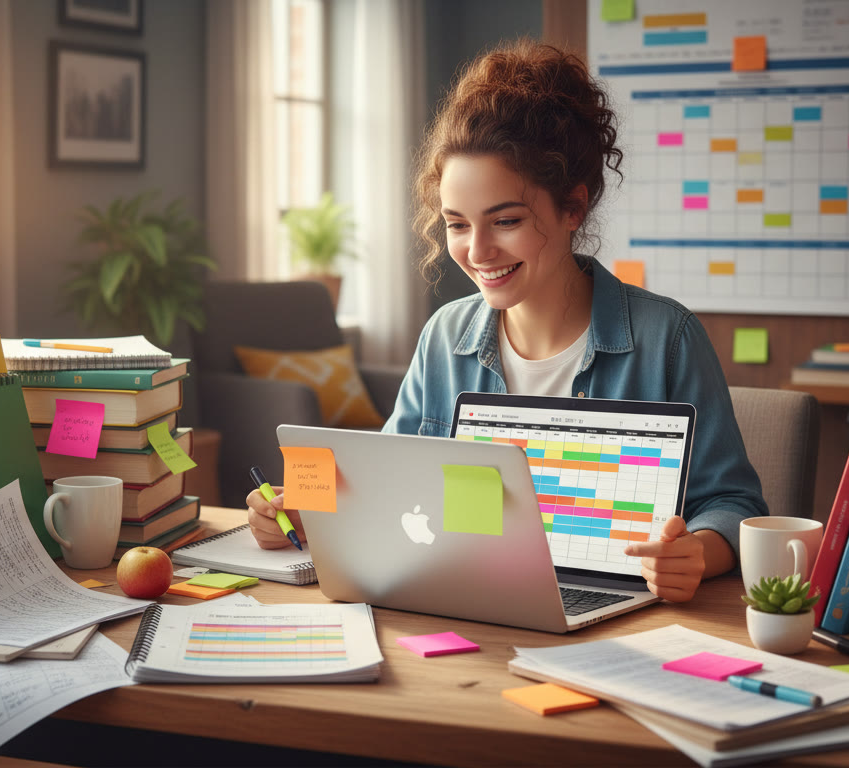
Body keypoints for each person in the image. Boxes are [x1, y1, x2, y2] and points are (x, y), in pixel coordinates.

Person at [247, 40, 768, 603]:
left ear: (573, 207)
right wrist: (298, 514)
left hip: (626, 615)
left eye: (507, 220)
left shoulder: (668, 339)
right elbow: (384, 486)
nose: (478, 251)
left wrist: (697, 551)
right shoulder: (445, 337)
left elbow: (733, 504)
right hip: (469, 605)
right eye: (458, 224)